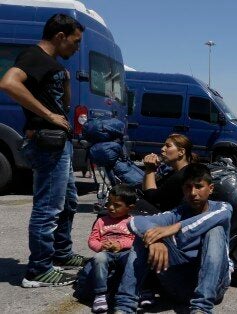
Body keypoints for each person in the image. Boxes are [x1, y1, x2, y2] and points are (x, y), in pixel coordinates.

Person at [0, 14, 88, 287]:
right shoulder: (34, 56)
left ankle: (60, 253)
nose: (76, 48)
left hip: (59, 141)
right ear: (60, 36)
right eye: (75, 42)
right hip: (47, 141)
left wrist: (66, 80)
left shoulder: (52, 64)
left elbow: (65, 103)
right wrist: (48, 115)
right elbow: (8, 83)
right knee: (48, 207)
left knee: (69, 201)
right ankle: (38, 270)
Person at [114, 163, 232, 313]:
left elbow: (219, 216)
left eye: (199, 186)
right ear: (183, 190)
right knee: (144, 236)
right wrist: (155, 240)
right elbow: (135, 221)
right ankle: (125, 306)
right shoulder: (177, 213)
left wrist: (175, 227)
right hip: (179, 286)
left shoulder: (223, 208)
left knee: (215, 230)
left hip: (215, 286)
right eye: (188, 187)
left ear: (211, 188)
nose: (193, 192)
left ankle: (202, 308)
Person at [85, 184, 136, 313]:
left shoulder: (133, 221)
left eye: (117, 205)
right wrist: (101, 246)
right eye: (109, 204)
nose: (111, 208)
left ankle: (139, 289)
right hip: (106, 252)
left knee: (135, 259)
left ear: (130, 208)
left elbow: (136, 240)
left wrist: (121, 245)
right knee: (99, 258)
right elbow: (92, 240)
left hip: (125, 252)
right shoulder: (101, 221)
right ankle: (101, 294)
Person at [138, 134, 196, 213]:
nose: (162, 149)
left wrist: (150, 170)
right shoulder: (175, 172)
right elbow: (147, 190)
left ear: (181, 152)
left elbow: (151, 198)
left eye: (168, 146)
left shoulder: (182, 175)